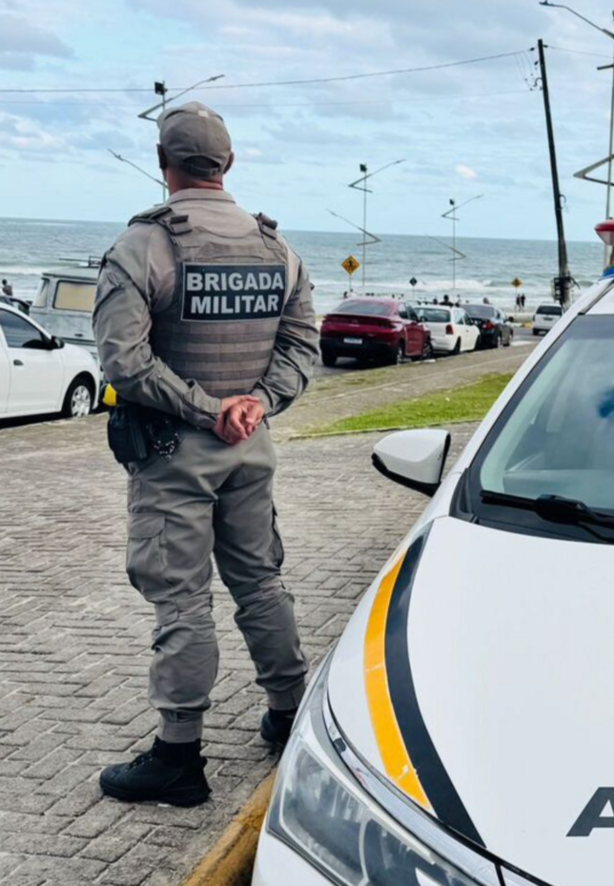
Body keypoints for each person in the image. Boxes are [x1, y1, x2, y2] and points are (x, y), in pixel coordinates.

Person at [92, 102, 318, 807]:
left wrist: (206, 409)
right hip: (250, 449)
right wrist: (255, 403)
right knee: (260, 582)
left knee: (182, 601)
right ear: (229, 163)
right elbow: (300, 349)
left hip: (173, 453)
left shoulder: (143, 247)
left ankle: (179, 758)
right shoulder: (277, 249)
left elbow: (123, 363)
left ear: (165, 166)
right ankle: (289, 716)